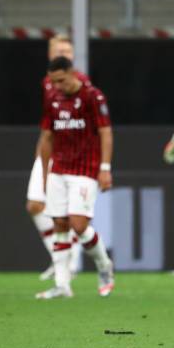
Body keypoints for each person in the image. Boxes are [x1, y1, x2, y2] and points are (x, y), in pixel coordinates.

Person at [35, 56, 116, 299]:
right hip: (59, 169)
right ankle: (62, 284)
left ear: (72, 73)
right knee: (59, 223)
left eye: (60, 80)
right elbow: (47, 136)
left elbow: (105, 133)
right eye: (53, 82)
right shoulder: (52, 97)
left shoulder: (93, 96)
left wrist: (104, 167)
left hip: (85, 169)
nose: (57, 86)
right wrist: (44, 172)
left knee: (79, 225)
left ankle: (104, 266)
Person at [28, 34, 86, 281]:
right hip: (50, 150)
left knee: (69, 214)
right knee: (35, 205)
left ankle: (68, 262)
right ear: (50, 55)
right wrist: (42, 149)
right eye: (59, 49)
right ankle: (61, 258)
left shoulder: (81, 84)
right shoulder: (47, 83)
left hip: (72, 157)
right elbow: (49, 124)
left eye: (68, 50)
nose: (64, 53)